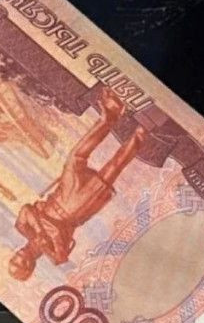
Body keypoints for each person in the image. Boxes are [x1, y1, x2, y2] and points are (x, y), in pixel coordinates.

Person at [9, 89, 145, 281]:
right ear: (30, 266)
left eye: (13, 260)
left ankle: (111, 114)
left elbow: (26, 210)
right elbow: (59, 243)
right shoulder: (55, 256)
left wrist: (40, 232)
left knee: (76, 156)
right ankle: (142, 132)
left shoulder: (22, 228)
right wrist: (48, 240)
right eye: (21, 264)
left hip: (60, 194)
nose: (19, 258)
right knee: (110, 171)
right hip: (74, 209)